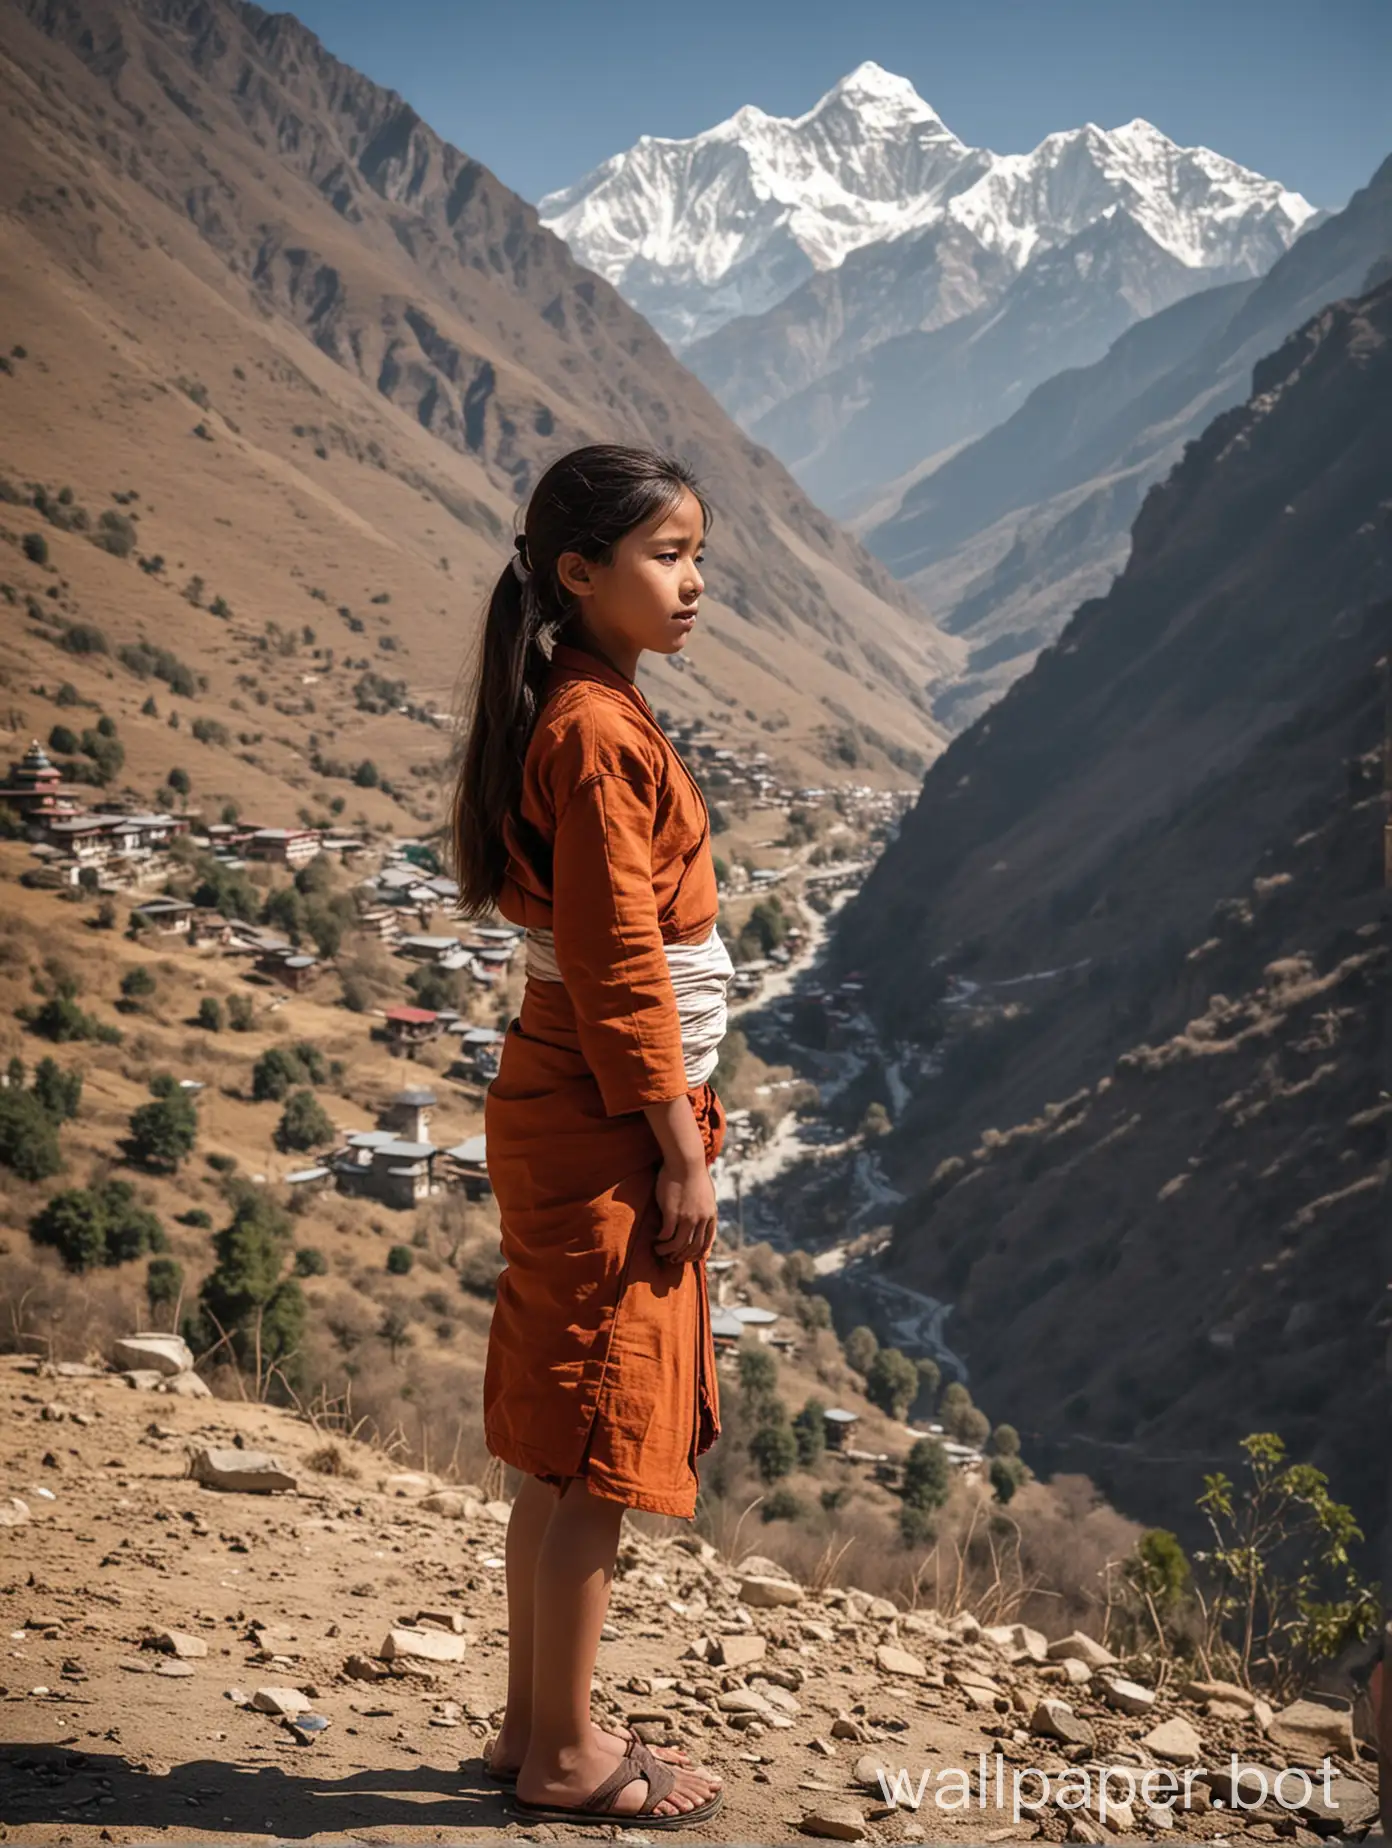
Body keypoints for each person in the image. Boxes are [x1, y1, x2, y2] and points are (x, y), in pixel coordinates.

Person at [451, 445, 733, 1829]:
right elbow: (620, 963)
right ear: (579, 573)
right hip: (612, 1120)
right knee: (596, 1447)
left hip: (578, 1105)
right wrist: (680, 1149)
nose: (694, 587)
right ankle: (565, 1758)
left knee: (565, 1443)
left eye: (699, 560)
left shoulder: (580, 706)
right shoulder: (595, 733)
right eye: (669, 557)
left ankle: (532, 1727)